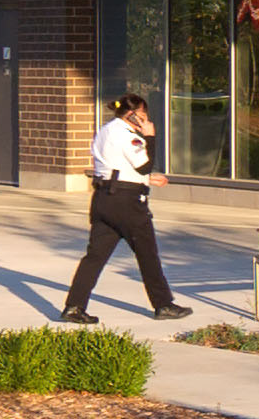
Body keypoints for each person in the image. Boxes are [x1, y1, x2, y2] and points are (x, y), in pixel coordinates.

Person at [56, 91, 186, 322]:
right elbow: (144, 165)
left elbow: (118, 167)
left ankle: (73, 307)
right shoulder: (130, 135)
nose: (145, 120)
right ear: (133, 115)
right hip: (127, 203)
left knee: (94, 257)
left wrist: (147, 180)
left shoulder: (105, 130)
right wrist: (151, 137)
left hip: (103, 198)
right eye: (143, 115)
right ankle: (163, 305)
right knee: (147, 254)